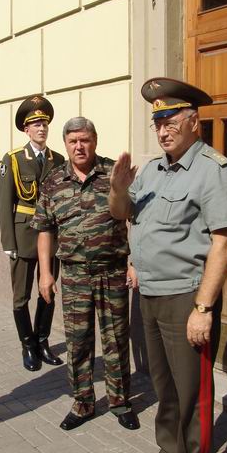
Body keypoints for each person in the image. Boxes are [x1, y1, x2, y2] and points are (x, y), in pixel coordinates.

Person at [109, 78, 227, 453]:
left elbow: (224, 243)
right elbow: (122, 213)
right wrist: (118, 189)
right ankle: (170, 452)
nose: (163, 131)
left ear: (194, 121)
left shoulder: (213, 170)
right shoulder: (151, 171)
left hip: (185, 296)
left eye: (171, 121)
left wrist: (203, 308)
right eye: (158, 123)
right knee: (164, 386)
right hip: (149, 293)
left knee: (192, 391)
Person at [32, 116, 140, 432]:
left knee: (117, 340)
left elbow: (132, 218)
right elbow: (45, 230)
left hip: (113, 271)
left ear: (95, 140)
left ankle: (121, 402)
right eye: (73, 141)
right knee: (78, 343)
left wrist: (133, 262)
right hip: (75, 275)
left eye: (85, 140)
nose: (80, 146)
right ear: (65, 144)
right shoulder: (53, 181)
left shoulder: (113, 174)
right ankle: (82, 404)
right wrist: (45, 274)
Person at [0, 95, 65, 371]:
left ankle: (43, 341)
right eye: (35, 123)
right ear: (26, 129)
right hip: (23, 235)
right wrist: (7, 242)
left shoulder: (58, 159)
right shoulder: (13, 159)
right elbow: (4, 202)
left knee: (47, 290)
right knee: (21, 295)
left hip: (53, 236)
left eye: (44, 123)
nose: (41, 128)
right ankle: (27, 345)